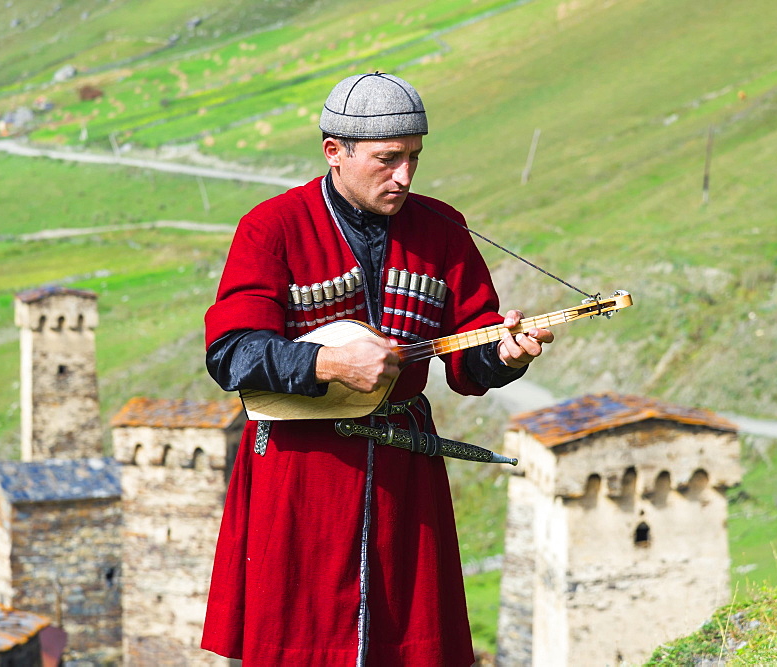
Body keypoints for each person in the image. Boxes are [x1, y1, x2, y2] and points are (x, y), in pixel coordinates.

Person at [201, 72, 554, 666]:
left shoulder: (440, 227)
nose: (405, 177)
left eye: (415, 158)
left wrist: (503, 354)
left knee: (408, 642)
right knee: (303, 640)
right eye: (388, 160)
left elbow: (468, 357)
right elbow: (231, 352)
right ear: (334, 153)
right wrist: (330, 362)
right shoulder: (272, 228)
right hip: (301, 472)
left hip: (403, 466)